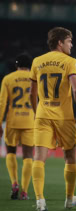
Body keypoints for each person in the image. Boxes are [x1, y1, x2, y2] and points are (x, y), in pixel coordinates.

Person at [30, 27, 76, 211]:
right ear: (60, 42)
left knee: (38, 158)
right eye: (69, 41)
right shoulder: (70, 62)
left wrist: (37, 111)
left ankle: (40, 201)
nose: (72, 44)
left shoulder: (37, 62)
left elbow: (32, 93)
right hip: (64, 117)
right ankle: (69, 199)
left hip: (43, 115)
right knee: (69, 157)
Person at [0, 53, 34, 200]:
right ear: (30, 66)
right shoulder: (35, 78)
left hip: (13, 120)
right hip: (29, 121)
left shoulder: (8, 79)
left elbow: (2, 103)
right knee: (28, 156)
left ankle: (14, 183)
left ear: (16, 65)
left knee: (10, 152)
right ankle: (25, 191)